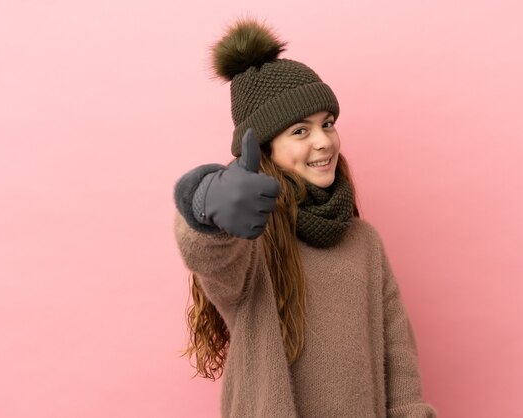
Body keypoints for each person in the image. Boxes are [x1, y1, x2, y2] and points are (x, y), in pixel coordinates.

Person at [172, 17, 437, 418]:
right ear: (265, 148)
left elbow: (398, 357)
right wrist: (206, 200)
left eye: (327, 124)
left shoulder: (363, 241)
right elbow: (207, 255)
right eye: (300, 131)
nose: (323, 141)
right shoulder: (248, 239)